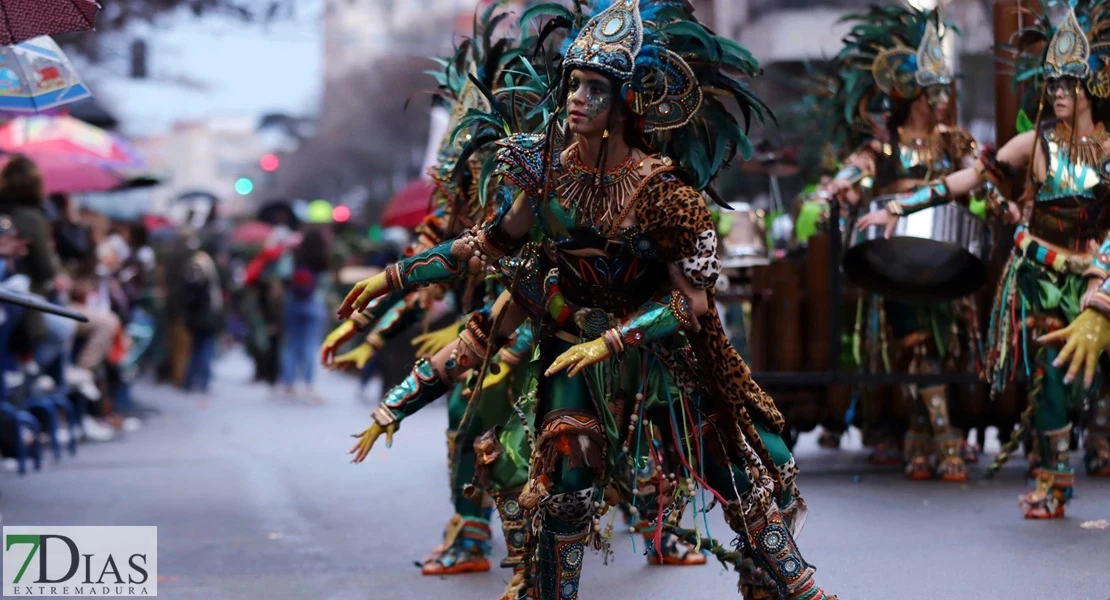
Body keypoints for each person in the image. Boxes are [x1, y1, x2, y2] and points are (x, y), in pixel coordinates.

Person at [333, 2, 834, 598]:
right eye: (573, 85)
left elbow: (693, 304)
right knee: (564, 479)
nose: (577, 99)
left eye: (595, 88)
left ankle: (798, 589)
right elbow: (486, 245)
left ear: (625, 104)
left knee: (729, 471)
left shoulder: (666, 193)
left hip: (659, 352)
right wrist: (393, 277)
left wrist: (616, 339)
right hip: (574, 348)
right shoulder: (537, 169)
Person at [856, 0, 1110, 517]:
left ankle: (1089, 446)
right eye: (1052, 84)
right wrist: (899, 208)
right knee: (1051, 373)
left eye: (1067, 85)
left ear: (1090, 90)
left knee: (1094, 378)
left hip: (1096, 277)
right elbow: (963, 181)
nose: (1057, 93)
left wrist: (1102, 280)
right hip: (1039, 277)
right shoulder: (1032, 142)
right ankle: (1054, 482)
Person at [821, 4, 989, 480]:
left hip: (945, 254)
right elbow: (851, 172)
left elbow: (986, 179)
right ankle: (942, 438)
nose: (940, 98)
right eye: (932, 90)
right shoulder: (884, 143)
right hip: (898, 254)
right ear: (912, 94)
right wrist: (840, 186)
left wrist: (1004, 204)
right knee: (916, 346)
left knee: (940, 346)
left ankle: (920, 436)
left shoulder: (955, 141)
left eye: (942, 89)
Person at [278, 227, 331, 400]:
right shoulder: (323, 260)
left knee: (291, 344)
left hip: (293, 302)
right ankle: (308, 384)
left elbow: (282, 274)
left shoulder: (294, 256)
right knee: (310, 344)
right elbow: (328, 284)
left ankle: (288, 383)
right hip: (315, 304)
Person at [182, 232, 223, 395]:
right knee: (202, 346)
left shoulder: (199, 263)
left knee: (200, 346)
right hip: (204, 314)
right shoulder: (204, 263)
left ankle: (195, 380)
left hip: (201, 314)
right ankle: (199, 380)